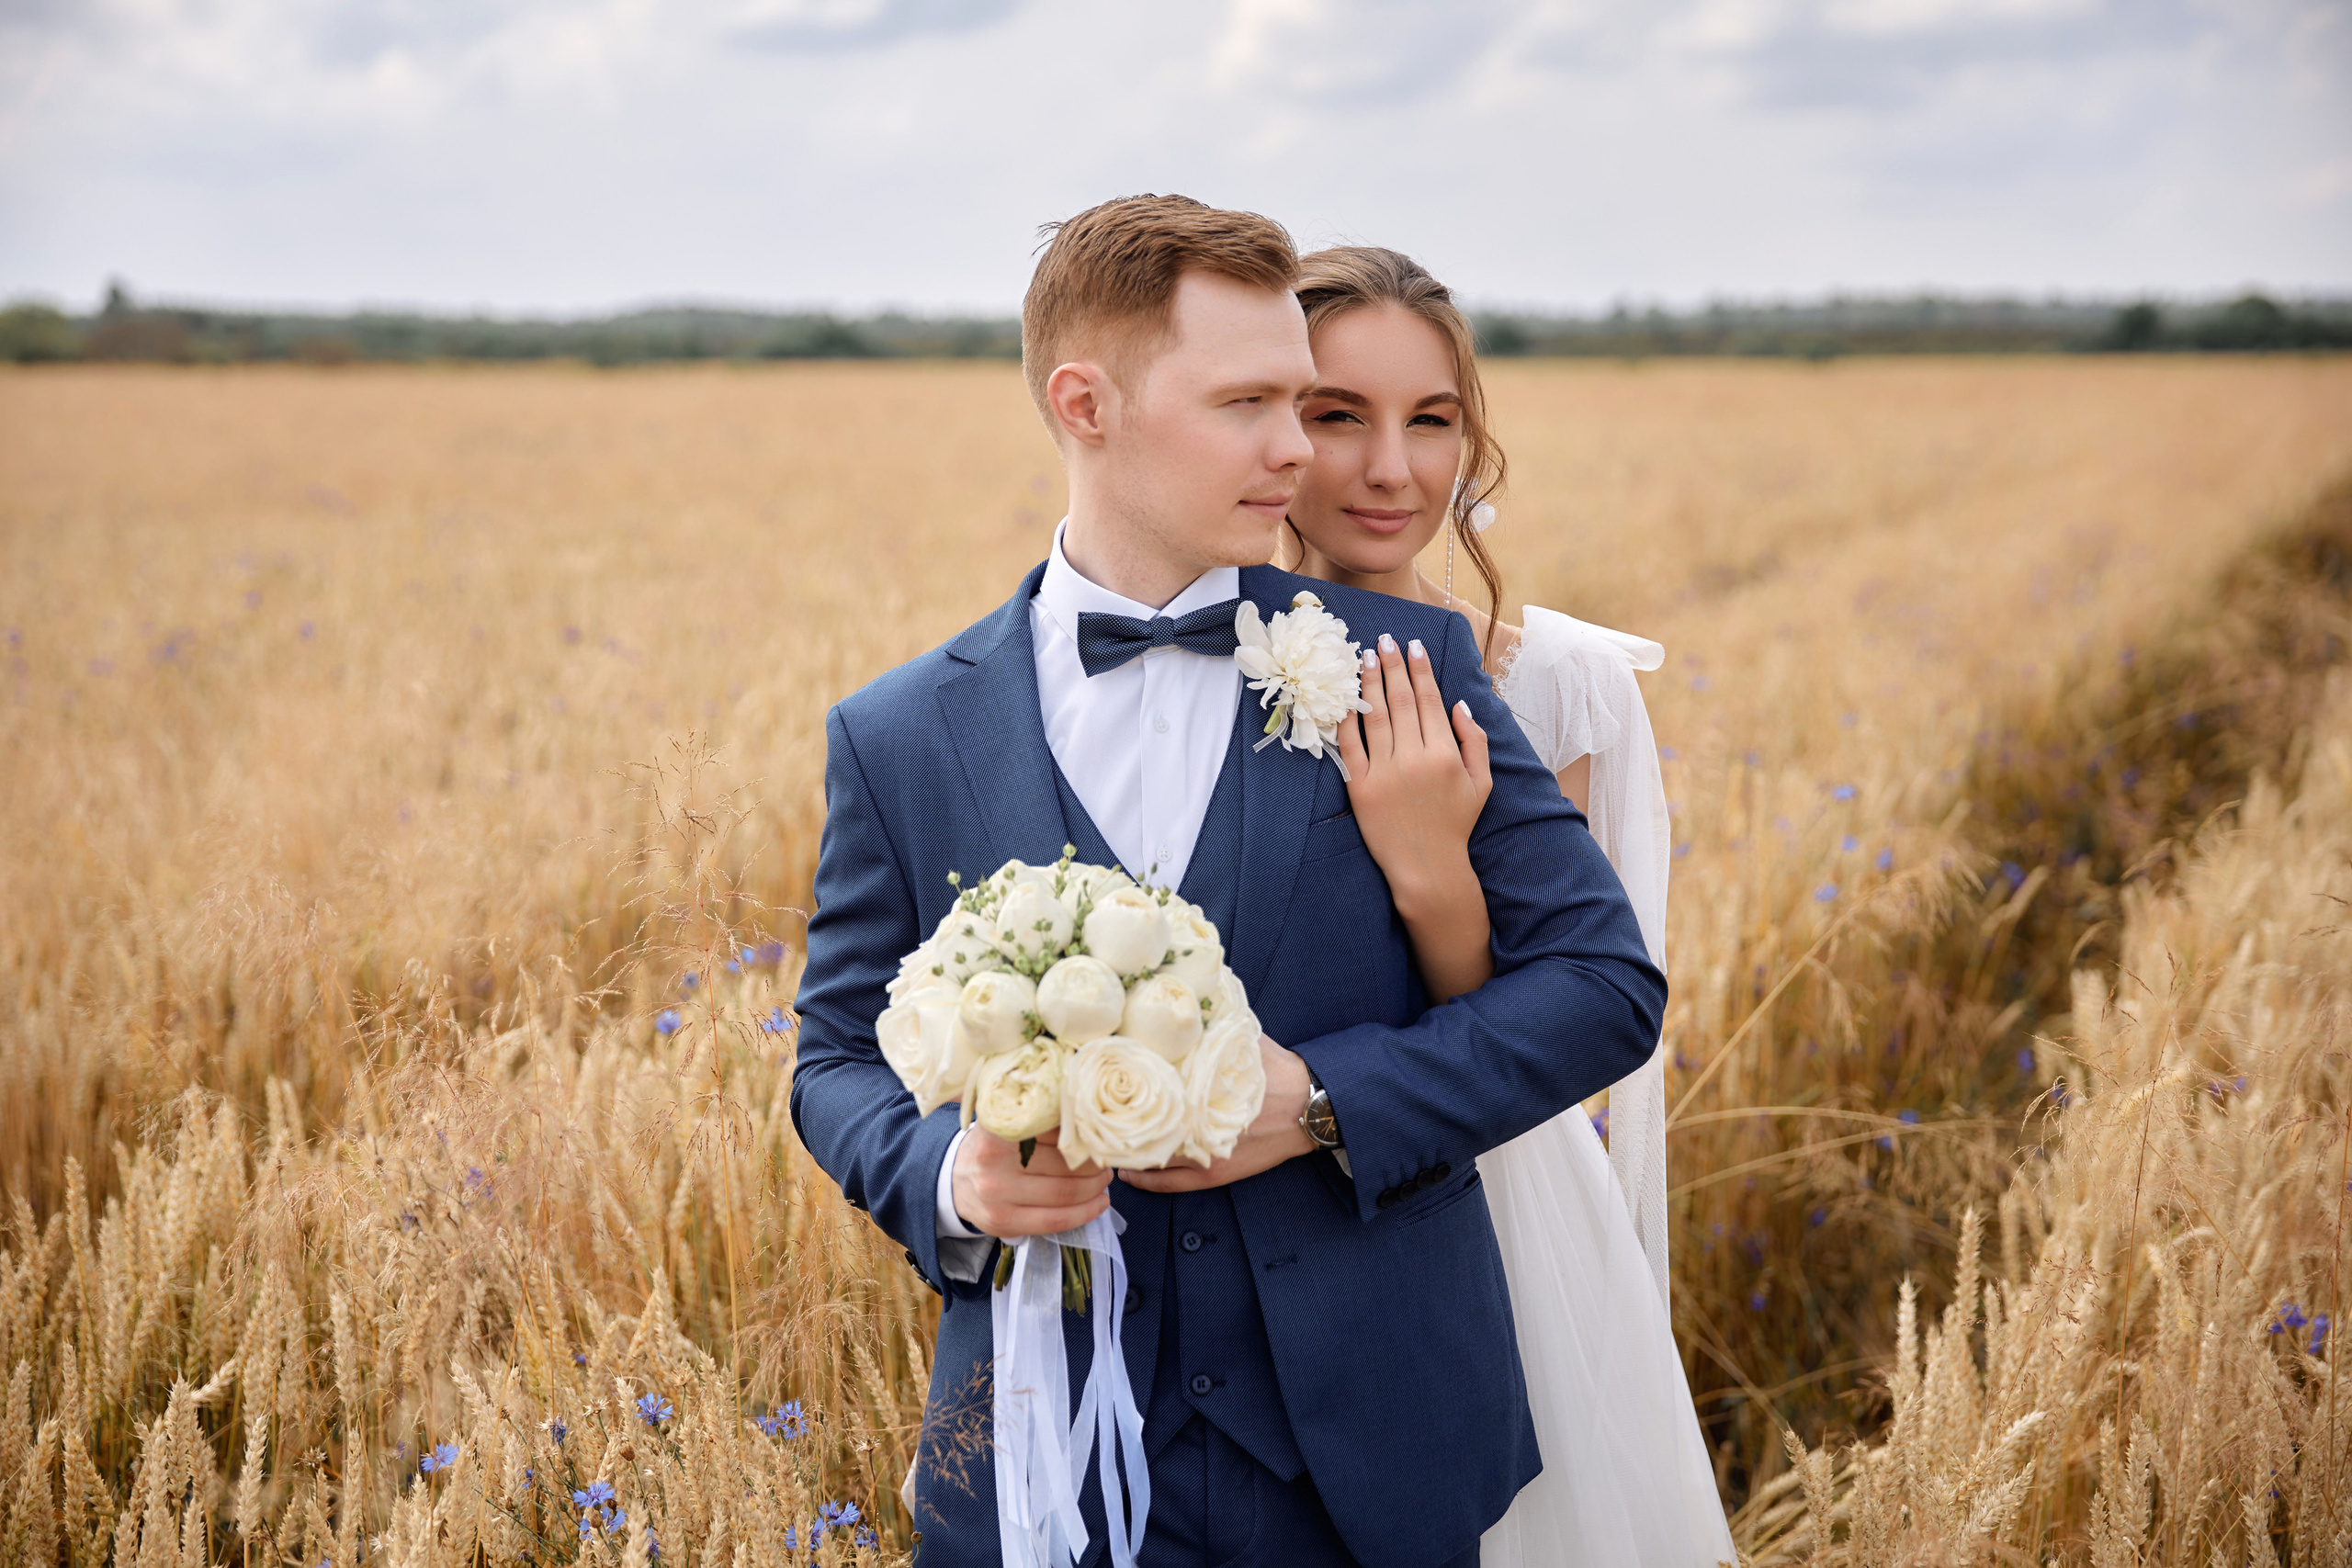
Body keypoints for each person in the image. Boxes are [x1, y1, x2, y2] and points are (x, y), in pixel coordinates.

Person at [788, 195, 1665, 1566]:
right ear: (1087, 403)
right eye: (1248, 400)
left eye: (1297, 401)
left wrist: (1319, 1103)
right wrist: (952, 1175)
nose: (1291, 451)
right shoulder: (902, 732)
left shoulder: (1404, 662)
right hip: (1038, 1461)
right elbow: (833, 1052)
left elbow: (1605, 989)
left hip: (1371, 1456)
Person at [1276, 245, 1737, 1562]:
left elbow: (1549, 1027)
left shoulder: (1558, 686)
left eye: (1431, 422)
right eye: (1336, 416)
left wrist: (1430, 871)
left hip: (1490, 1209)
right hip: (1257, 1213)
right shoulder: (1188, 670)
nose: (1391, 471)